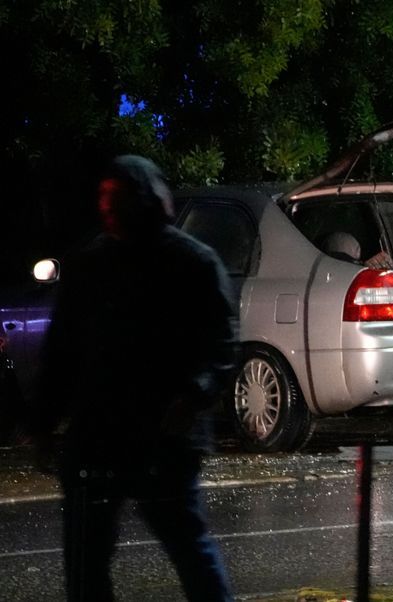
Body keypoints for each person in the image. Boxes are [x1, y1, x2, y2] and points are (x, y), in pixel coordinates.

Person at [30, 155, 237, 601]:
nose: (108, 209)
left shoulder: (191, 263)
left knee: (186, 549)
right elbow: (62, 353)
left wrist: (191, 397)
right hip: (105, 436)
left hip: (159, 437)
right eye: (105, 200)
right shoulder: (92, 266)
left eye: (117, 200)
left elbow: (220, 346)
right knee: (91, 560)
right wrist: (42, 426)